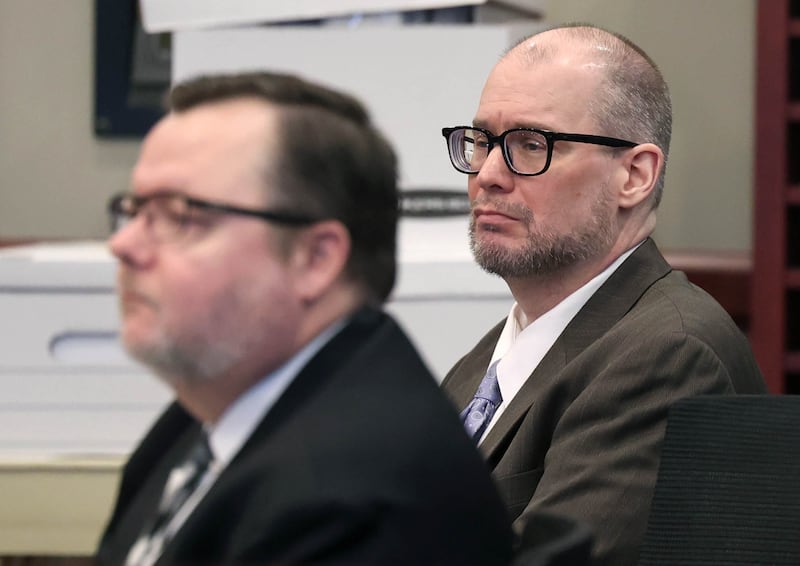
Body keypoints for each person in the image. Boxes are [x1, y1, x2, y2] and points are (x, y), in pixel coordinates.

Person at [96, 71, 513, 566]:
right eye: (136, 210)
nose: (123, 246)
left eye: (180, 215)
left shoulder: (360, 503)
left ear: (315, 258)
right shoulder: (214, 406)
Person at [440, 23, 767, 566]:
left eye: (531, 144)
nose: (489, 175)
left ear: (635, 175)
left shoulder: (668, 356)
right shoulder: (483, 363)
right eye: (481, 142)